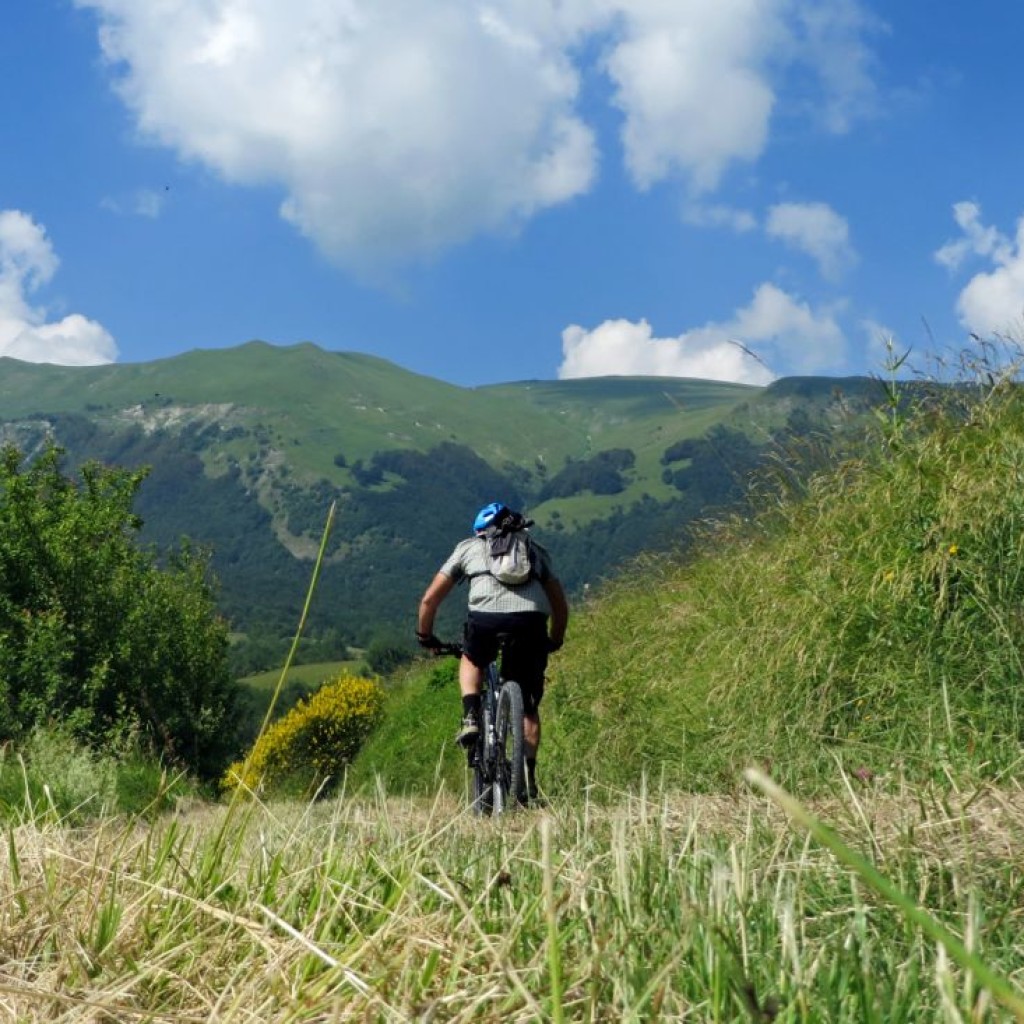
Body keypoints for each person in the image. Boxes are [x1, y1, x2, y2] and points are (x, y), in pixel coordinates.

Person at [416, 501, 569, 800]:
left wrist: (426, 636)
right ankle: (527, 781)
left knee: (472, 658)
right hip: (531, 623)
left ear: (480, 531)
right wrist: (555, 639)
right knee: (528, 707)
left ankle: (471, 717)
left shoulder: (468, 548)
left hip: (485, 621)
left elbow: (429, 600)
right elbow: (560, 606)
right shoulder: (534, 550)